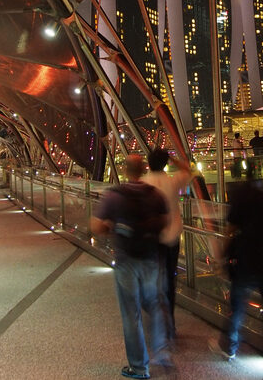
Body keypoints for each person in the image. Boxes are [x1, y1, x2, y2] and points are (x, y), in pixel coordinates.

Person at [91, 155, 171, 379]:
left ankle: (139, 367)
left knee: (131, 313)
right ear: (144, 170)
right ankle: (161, 352)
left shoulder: (114, 196)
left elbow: (96, 226)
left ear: (125, 171)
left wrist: (113, 228)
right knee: (154, 304)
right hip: (151, 258)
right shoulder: (155, 195)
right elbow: (166, 221)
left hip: (126, 259)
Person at [211, 166, 263, 378]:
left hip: (243, 259)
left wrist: (222, 257)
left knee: (237, 304)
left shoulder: (240, 197)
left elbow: (230, 230)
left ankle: (229, 345)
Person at [142, 149, 192, 336]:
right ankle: (169, 323)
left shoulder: (143, 183)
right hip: (171, 239)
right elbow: (188, 170)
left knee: (152, 279)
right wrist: (174, 160)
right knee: (170, 281)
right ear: (165, 163)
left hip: (151, 239)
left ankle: (155, 320)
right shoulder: (172, 182)